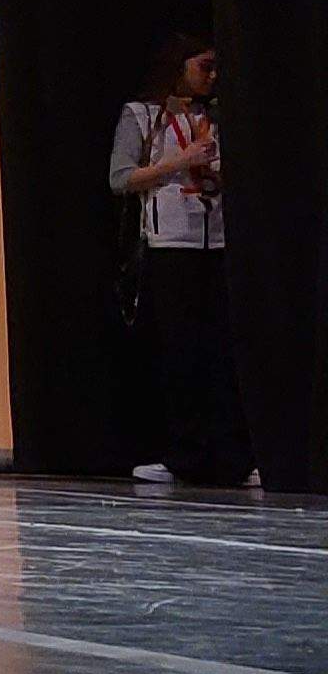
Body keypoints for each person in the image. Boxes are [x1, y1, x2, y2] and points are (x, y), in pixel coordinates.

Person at [111, 35, 248, 487]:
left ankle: (233, 456)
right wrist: (178, 163)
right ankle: (183, 454)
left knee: (224, 352)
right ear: (179, 65)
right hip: (171, 245)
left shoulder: (221, 114)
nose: (211, 77)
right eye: (204, 66)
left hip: (220, 241)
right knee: (181, 354)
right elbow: (121, 178)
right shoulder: (143, 115)